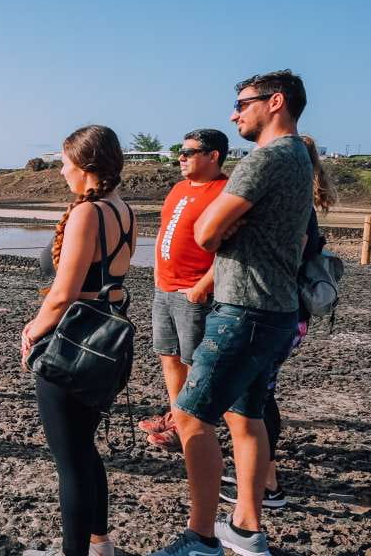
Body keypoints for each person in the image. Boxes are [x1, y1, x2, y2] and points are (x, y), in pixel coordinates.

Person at [151, 70, 313, 556]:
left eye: (243, 103)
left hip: (243, 308)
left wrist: (224, 224)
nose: (234, 112)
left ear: (276, 102)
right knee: (246, 416)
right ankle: (246, 528)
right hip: (276, 309)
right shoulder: (301, 157)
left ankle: (200, 539)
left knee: (191, 417)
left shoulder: (264, 159)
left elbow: (205, 232)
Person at [21, 125, 133, 556]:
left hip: (74, 340)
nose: (62, 171)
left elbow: (63, 293)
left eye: (66, 163)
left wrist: (32, 330)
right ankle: (100, 542)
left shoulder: (87, 214)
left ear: (86, 166)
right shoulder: (122, 209)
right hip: (110, 337)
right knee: (85, 449)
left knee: (69, 462)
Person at [219, 134, 335, 510]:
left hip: (276, 311)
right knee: (260, 396)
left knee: (256, 401)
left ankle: (267, 485)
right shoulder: (303, 203)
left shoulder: (293, 207)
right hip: (293, 315)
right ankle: (262, 479)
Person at [140, 129, 230, 452]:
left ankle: (190, 423)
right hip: (164, 288)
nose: (181, 156)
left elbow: (231, 249)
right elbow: (165, 229)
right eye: (181, 150)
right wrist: (156, 273)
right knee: (168, 355)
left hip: (194, 292)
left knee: (195, 361)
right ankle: (177, 416)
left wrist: (202, 286)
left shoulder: (224, 191)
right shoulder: (179, 188)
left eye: (189, 152)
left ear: (213, 155)